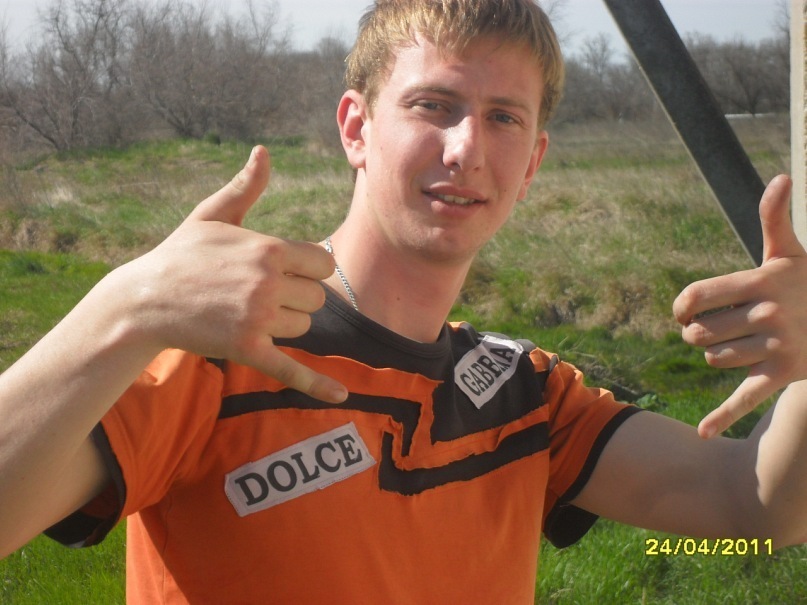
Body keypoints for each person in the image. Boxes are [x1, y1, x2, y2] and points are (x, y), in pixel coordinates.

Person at [2, 0, 807, 602]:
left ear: (531, 163)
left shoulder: (524, 395)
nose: (466, 149)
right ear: (356, 128)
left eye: (502, 118)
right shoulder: (222, 353)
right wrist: (128, 305)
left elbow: (758, 507)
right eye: (433, 105)